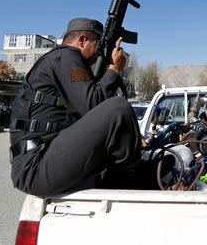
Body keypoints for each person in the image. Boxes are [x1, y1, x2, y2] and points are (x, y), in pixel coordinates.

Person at [9, 18, 142, 196]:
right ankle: (133, 180)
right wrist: (114, 70)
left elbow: (86, 113)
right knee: (118, 109)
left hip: (41, 158)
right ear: (82, 40)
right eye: (98, 45)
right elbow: (92, 106)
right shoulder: (67, 56)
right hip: (36, 166)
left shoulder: (59, 60)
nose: (98, 54)